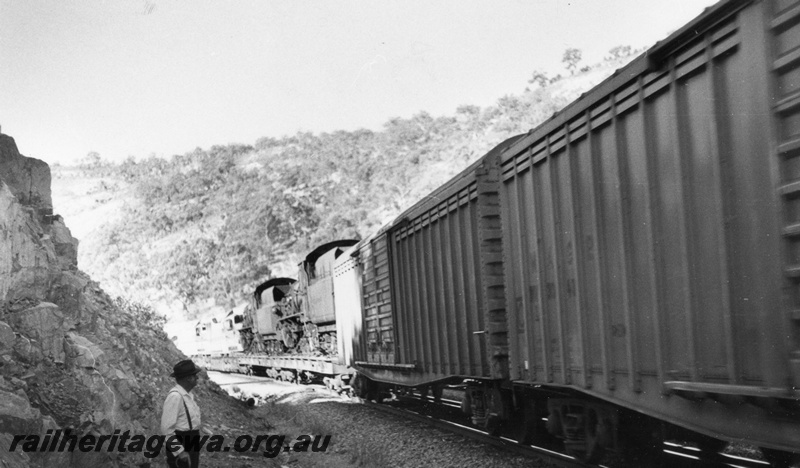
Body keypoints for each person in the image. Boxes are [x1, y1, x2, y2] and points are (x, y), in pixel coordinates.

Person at [161, 359, 202, 468]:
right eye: (194, 375)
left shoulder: (187, 395)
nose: (197, 378)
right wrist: (180, 452)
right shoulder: (175, 396)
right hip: (182, 443)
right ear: (188, 378)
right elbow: (166, 430)